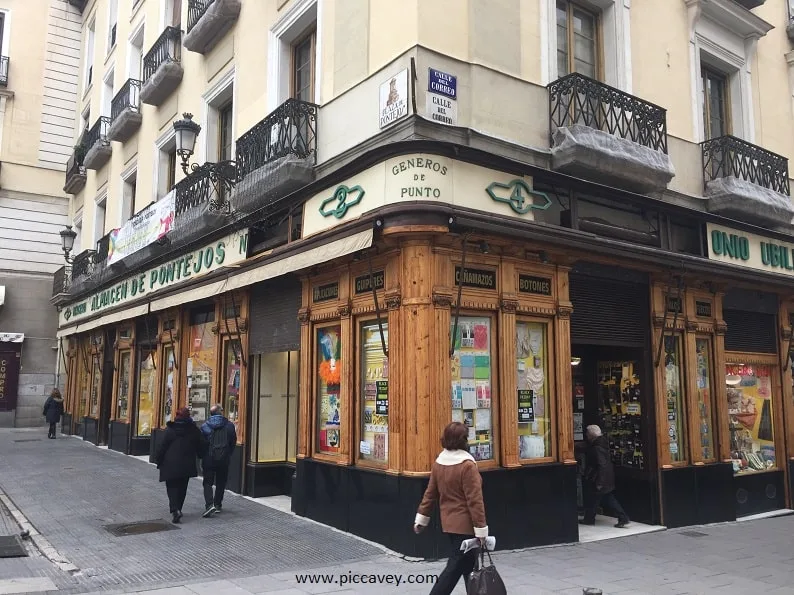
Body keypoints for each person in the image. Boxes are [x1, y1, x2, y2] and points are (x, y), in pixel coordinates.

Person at [413, 422, 488, 595]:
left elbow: (430, 494)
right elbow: (475, 501)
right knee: (454, 567)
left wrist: (421, 519)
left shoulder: (440, 463)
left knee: (469, 567)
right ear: (463, 440)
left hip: (449, 523)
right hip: (466, 526)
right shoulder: (467, 465)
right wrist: (481, 530)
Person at [155, 407, 207, 524]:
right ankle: (178, 508)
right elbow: (201, 445)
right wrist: (201, 456)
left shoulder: (170, 430)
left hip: (170, 464)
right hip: (186, 464)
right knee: (182, 487)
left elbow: (162, 447)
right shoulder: (193, 430)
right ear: (188, 417)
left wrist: (158, 460)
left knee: (172, 487)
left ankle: (175, 509)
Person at [581, 424, 629, 528]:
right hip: (604, 479)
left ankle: (589, 519)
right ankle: (622, 517)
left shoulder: (597, 448)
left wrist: (600, 482)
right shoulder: (601, 443)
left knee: (595, 498)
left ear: (591, 435)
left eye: (587, 434)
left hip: (599, 479)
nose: (586, 435)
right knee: (605, 498)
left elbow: (602, 465)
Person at [200, 404, 237, 517]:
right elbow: (233, 442)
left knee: (207, 482)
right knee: (221, 482)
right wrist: (228, 454)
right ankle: (217, 504)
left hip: (209, 458)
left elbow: (201, 444)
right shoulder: (229, 426)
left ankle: (209, 505)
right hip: (224, 459)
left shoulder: (205, 426)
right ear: (220, 412)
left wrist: (203, 456)